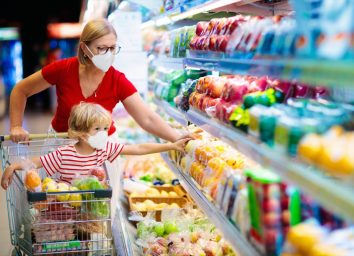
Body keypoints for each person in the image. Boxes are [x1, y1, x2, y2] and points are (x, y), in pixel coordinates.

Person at [9, 18, 186, 143]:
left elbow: (147, 118)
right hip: (62, 146)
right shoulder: (63, 69)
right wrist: (16, 126)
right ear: (84, 48)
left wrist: (176, 136)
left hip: (102, 150)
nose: (108, 54)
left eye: (112, 48)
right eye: (101, 48)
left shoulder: (116, 80)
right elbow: (21, 90)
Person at [1, 102, 189, 189]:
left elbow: (138, 149)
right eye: (97, 129)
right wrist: (14, 166)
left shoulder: (104, 149)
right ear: (81, 133)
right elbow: (37, 162)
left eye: (105, 128)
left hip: (92, 213)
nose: (103, 133)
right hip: (66, 212)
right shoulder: (63, 154)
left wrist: (171, 145)